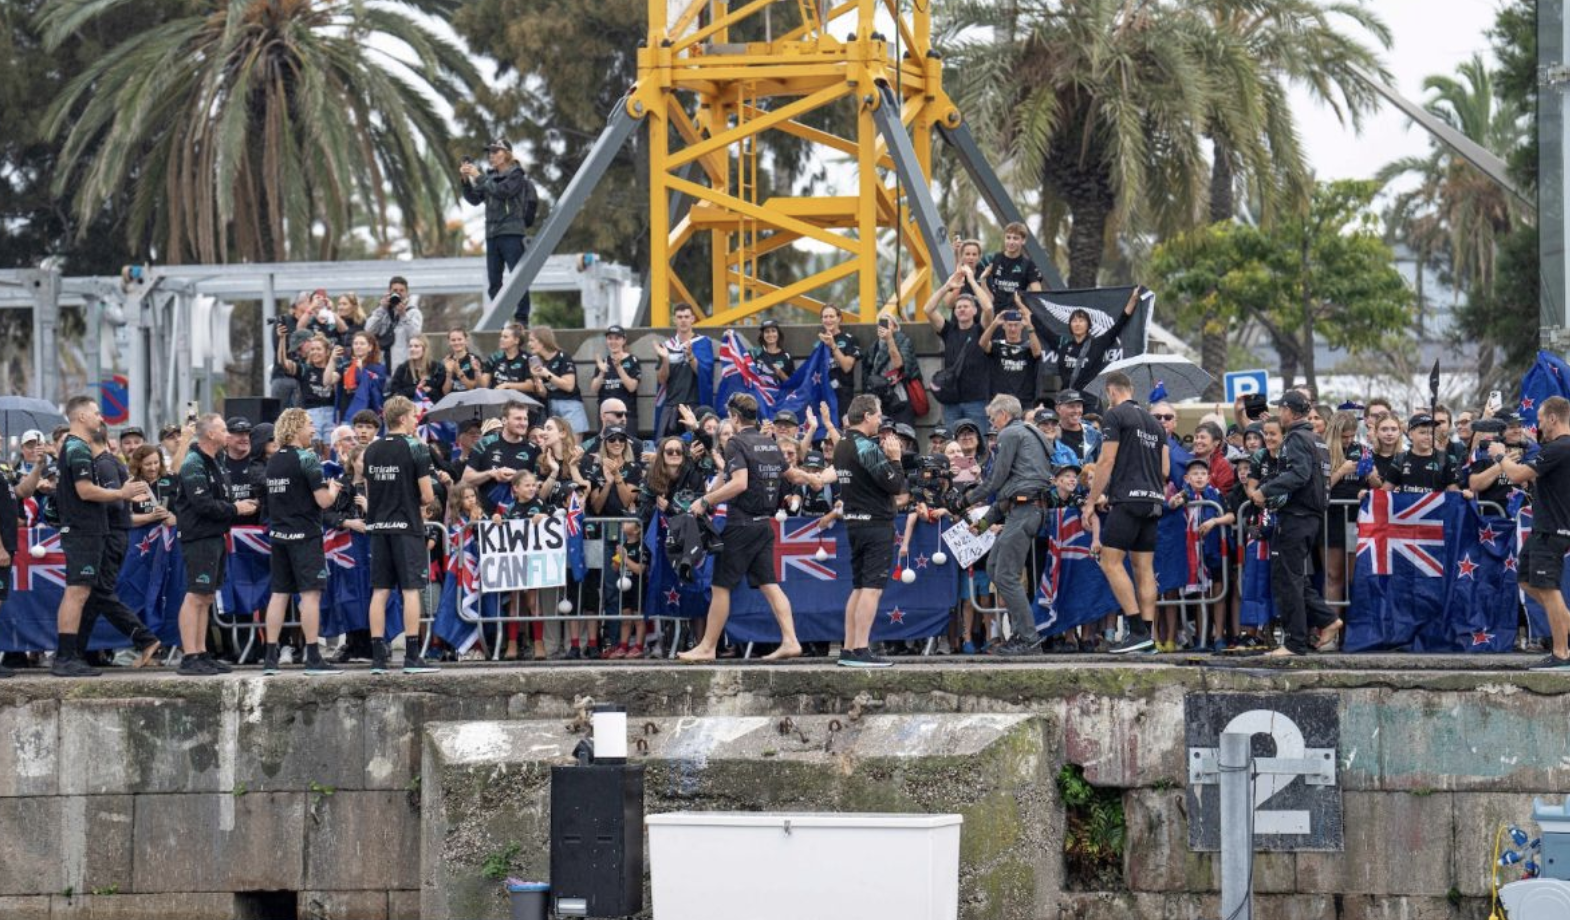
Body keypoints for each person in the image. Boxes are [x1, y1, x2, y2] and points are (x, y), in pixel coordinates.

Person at [678, 394, 802, 662]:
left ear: (734, 417)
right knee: (770, 584)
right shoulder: (768, 443)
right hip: (763, 526)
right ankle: (791, 640)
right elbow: (791, 475)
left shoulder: (737, 442)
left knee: (721, 587)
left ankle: (708, 647)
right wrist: (815, 479)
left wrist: (705, 500)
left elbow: (739, 483)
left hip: (741, 524)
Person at [48, 397, 154, 677]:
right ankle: (66, 657)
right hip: (83, 530)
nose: (100, 417)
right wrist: (122, 493)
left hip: (86, 530)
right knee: (77, 591)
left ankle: (68, 655)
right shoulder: (78, 447)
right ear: (81, 417)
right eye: (95, 412)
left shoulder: (75, 447)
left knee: (80, 591)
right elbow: (85, 490)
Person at [1079, 373, 1168, 655]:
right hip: (1154, 500)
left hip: (1128, 500)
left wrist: (1092, 501)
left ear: (1110, 392)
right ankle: (1147, 635)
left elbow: (1106, 460)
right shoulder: (1156, 423)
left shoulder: (1115, 415)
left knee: (1110, 562)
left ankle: (1137, 631)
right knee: (1144, 569)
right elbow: (1164, 470)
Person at [963, 393, 1056, 656]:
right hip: (1025, 509)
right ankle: (1022, 633)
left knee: (1004, 574)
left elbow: (995, 482)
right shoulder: (1027, 434)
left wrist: (965, 499)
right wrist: (983, 526)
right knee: (994, 568)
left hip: (1025, 510)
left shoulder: (1009, 435)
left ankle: (1028, 638)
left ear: (1004, 415)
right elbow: (1007, 494)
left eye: (993, 419)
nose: (992, 425)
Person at [174, 414, 259, 676]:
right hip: (199, 536)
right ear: (210, 434)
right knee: (196, 594)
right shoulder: (194, 463)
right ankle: (189, 655)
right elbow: (203, 505)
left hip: (216, 535)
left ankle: (201, 652)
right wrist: (236, 508)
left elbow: (222, 496)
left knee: (207, 595)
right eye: (224, 430)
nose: (229, 434)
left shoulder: (217, 461)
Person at [1488, 396, 1570, 668]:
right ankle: (1563, 620)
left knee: (1548, 588)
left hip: (1554, 529)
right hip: (1543, 527)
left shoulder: (1560, 446)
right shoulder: (1555, 448)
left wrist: (1499, 455)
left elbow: (1517, 475)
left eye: (1541, 417)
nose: (1538, 423)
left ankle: (1561, 654)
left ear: (1553, 418)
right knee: (1526, 580)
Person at [261, 408, 343, 675]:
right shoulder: (307, 459)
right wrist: (332, 489)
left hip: (280, 536)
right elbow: (323, 502)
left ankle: (270, 658)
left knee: (279, 594)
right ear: (295, 427)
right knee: (310, 596)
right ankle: (313, 656)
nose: (313, 429)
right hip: (305, 537)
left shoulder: (273, 461)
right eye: (309, 425)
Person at [1259, 391, 1341, 658]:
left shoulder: (1295, 438)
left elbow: (1299, 474)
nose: (1278, 414)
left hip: (1297, 516)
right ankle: (1328, 619)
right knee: (1292, 576)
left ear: (1290, 411)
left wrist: (1266, 490)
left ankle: (1294, 642)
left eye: (1281, 408)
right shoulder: (1316, 439)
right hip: (1311, 516)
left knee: (1288, 580)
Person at [363, 396, 440, 674]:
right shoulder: (416, 448)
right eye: (413, 415)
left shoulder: (371, 450)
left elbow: (370, 495)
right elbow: (428, 496)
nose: (416, 419)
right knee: (410, 591)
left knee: (380, 591)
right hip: (406, 527)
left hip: (379, 527)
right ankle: (411, 654)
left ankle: (377, 657)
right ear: (402, 418)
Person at [830, 394, 907, 668]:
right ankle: (861, 649)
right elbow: (895, 484)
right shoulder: (865, 446)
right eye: (878, 415)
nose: (879, 420)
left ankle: (849, 648)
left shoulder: (841, 443)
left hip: (854, 522)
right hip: (875, 524)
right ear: (866, 416)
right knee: (871, 589)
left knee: (859, 586)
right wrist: (895, 458)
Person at [76, 423, 162, 668]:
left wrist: (91, 501)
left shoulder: (104, 464)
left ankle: (145, 639)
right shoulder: (109, 462)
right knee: (94, 595)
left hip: (112, 537)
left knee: (100, 593)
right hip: (115, 535)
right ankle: (76, 653)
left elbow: (116, 503)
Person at [461, 138, 539, 324]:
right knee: (494, 280)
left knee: (517, 277)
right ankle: (498, 318)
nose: (491, 155)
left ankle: (521, 320)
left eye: (496, 151)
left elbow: (503, 191)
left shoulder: (516, 175)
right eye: (490, 152)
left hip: (512, 232)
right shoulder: (489, 177)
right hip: (492, 234)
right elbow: (473, 199)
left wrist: (479, 176)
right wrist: (465, 181)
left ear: (507, 154)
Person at [924, 269, 994, 429]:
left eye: (966, 306)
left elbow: (989, 308)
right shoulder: (948, 330)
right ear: (954, 312)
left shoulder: (980, 330)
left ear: (975, 310)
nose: (962, 309)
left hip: (976, 401)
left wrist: (971, 280)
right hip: (951, 401)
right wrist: (947, 286)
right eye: (958, 307)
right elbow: (928, 309)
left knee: (980, 444)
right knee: (952, 445)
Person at [1051, 288, 1141, 412]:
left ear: (1088, 325)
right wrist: (1025, 312)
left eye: (1081, 320)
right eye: (1074, 321)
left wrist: (1132, 300)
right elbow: (1042, 328)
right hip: (1067, 400)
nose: (1077, 324)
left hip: (1089, 401)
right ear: (1070, 325)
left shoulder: (1097, 344)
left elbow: (1118, 325)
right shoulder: (1063, 346)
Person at [463, 401, 540, 516]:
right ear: (504, 420)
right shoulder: (485, 444)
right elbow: (466, 479)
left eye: (525, 419)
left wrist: (518, 478)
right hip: (487, 518)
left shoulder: (534, 449)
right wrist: (492, 474)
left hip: (522, 518)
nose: (523, 423)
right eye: (518, 419)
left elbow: (539, 485)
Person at [654, 303, 715, 437]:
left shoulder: (703, 343)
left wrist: (690, 356)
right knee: (668, 449)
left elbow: (704, 375)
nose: (683, 320)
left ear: (693, 319)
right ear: (674, 320)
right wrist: (665, 359)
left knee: (696, 448)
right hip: (671, 407)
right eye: (679, 317)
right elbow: (662, 380)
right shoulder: (666, 346)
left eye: (686, 316)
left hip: (695, 406)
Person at [526, 326, 589, 433]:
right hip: (551, 406)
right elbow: (543, 393)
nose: (529, 344)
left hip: (569, 405)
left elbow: (569, 386)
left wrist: (547, 374)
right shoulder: (540, 361)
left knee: (573, 446)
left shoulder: (563, 357)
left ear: (542, 341)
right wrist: (536, 376)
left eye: (532, 340)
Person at [275, 330, 339, 436]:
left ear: (327, 351)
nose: (315, 352)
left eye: (319, 349)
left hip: (330, 414)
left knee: (329, 449)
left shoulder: (335, 370)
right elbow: (283, 362)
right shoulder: (304, 369)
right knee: (314, 448)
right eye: (312, 349)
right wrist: (282, 339)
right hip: (311, 414)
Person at [981, 299, 1042, 408]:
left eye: (1016, 325)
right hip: (1000, 402)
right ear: (1004, 326)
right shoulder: (997, 345)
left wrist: (1030, 326)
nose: (1012, 329)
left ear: (1021, 326)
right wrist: (994, 324)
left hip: (1024, 402)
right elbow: (982, 344)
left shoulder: (1028, 346)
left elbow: (1037, 352)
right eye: (1009, 325)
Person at [865, 312, 922, 428]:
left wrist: (889, 339)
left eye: (888, 324)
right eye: (881, 324)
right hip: (880, 397)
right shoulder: (874, 347)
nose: (884, 327)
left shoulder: (902, 340)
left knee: (904, 432)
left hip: (899, 396)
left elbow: (899, 365)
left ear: (895, 327)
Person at [1382, 413, 1459, 494]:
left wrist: (1465, 495)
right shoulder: (1400, 458)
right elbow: (1384, 493)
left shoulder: (1443, 458)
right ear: (1410, 434)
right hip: (1410, 506)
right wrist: (1368, 496)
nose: (1428, 437)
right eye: (1422, 432)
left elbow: (1455, 493)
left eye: (1431, 433)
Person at [979, 221, 1045, 308]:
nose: (1011, 242)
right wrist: (982, 279)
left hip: (1018, 313)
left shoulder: (1028, 265)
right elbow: (987, 298)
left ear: (1023, 240)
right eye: (1008, 237)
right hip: (995, 311)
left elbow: (1037, 294)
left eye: (1015, 238)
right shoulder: (993, 259)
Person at [364, 276, 423, 371]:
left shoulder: (413, 312)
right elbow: (368, 330)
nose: (398, 293)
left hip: (401, 367)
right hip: (381, 365)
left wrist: (403, 315)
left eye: (401, 290)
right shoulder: (383, 311)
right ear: (389, 292)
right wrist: (382, 309)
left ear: (407, 293)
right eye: (395, 290)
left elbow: (415, 335)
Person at [593, 325, 643, 435]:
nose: (613, 342)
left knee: (628, 448)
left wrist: (619, 366)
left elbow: (632, 387)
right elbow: (594, 388)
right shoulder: (603, 361)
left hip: (626, 414)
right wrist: (602, 372)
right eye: (610, 338)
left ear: (623, 340)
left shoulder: (632, 361)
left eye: (617, 338)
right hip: (606, 415)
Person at [221, 417, 267, 525]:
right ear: (227, 437)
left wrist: (258, 503)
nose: (245, 438)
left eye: (247, 434)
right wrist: (235, 507)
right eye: (240, 434)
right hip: (227, 530)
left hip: (257, 530)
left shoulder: (260, 462)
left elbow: (275, 493)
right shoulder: (218, 463)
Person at [817, 303, 862, 405]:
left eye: (831, 316)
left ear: (839, 318)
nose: (828, 320)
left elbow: (847, 367)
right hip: (822, 394)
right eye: (825, 317)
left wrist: (833, 345)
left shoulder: (850, 339)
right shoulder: (818, 341)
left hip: (842, 394)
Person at [388, 334, 447, 402]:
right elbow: (395, 393)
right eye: (410, 346)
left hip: (432, 408)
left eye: (416, 346)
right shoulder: (403, 368)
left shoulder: (436, 367)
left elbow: (441, 394)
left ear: (424, 349)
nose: (412, 349)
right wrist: (416, 389)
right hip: (408, 409)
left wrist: (429, 390)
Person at [1055, 389, 1103, 464]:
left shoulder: (1094, 435)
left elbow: (1103, 464)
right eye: (1071, 406)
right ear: (1058, 409)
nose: (1076, 411)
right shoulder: (1051, 435)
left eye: (1079, 406)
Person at [441, 329, 486, 396]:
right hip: (453, 400)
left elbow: (472, 387)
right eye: (453, 340)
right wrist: (449, 374)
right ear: (449, 342)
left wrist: (459, 372)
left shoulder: (473, 359)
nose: (456, 343)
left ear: (466, 341)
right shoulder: (446, 361)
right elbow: (445, 392)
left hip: (469, 399)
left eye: (460, 339)